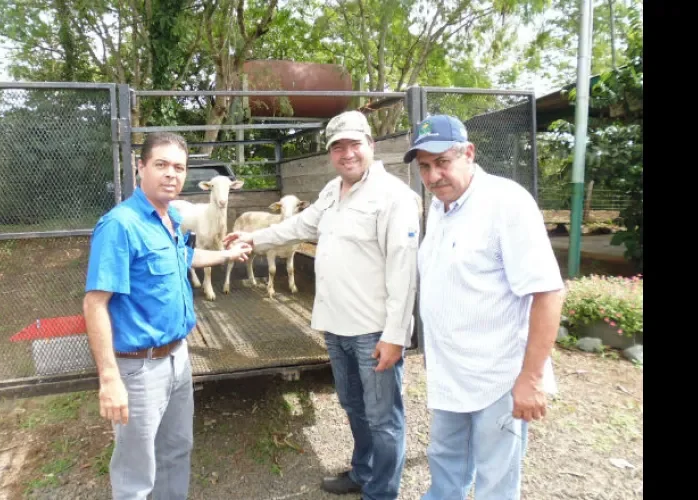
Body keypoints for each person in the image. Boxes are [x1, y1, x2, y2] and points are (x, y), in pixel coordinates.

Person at [224, 110, 422, 500]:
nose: (347, 153)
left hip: (374, 331)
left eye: (354, 144)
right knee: (354, 406)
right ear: (330, 152)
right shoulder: (333, 190)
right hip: (335, 324)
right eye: (337, 146)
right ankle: (363, 472)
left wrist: (396, 335)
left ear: (371, 145)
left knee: (383, 417)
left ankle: (382, 493)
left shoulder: (393, 196)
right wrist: (253, 239)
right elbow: (299, 226)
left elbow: (404, 271)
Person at [82, 131, 252, 500]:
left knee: (176, 451)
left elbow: (185, 258)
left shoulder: (172, 217)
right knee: (136, 474)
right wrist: (109, 378)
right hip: (139, 368)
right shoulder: (121, 225)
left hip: (178, 358)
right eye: (161, 164)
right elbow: (95, 303)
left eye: (179, 167)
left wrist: (227, 255)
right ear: (140, 167)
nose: (171, 174)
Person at [404, 114, 565, 500]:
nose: (433, 176)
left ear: (469, 154)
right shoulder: (441, 207)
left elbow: (548, 293)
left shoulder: (506, 203)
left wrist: (531, 378)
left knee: (496, 479)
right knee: (445, 461)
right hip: (451, 372)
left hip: (497, 377)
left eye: (442, 162)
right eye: (424, 167)